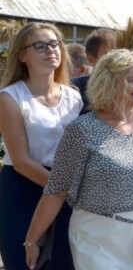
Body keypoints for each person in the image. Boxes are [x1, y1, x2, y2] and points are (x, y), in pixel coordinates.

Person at [25, 49, 133, 269]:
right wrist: (32, 240)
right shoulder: (82, 130)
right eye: (131, 80)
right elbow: (56, 190)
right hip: (99, 239)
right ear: (109, 83)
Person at [0, 22, 82, 269]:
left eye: (55, 44)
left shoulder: (74, 97)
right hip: (22, 190)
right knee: (25, 265)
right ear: (22, 55)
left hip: (64, 192)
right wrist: (65, 191)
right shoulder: (10, 97)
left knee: (64, 264)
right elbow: (22, 161)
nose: (51, 50)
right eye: (40, 45)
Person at [71, 28, 116, 115]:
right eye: (109, 55)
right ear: (91, 59)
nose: (117, 59)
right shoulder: (74, 89)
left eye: (120, 53)